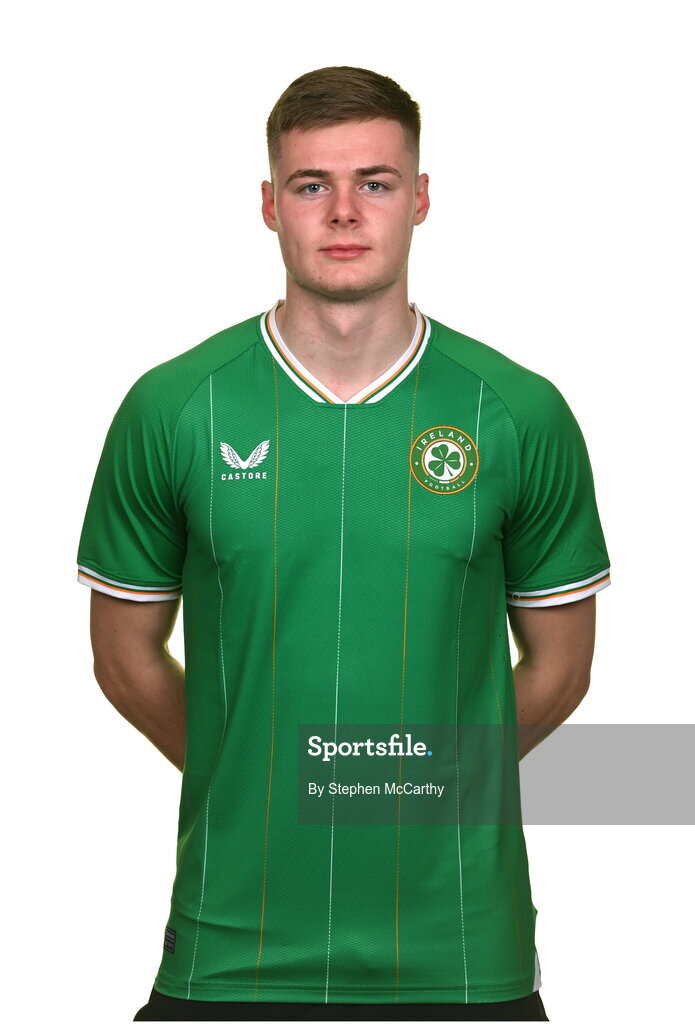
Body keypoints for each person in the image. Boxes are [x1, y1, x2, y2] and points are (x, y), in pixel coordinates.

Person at [76, 66, 610, 1022]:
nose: (344, 213)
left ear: (421, 199)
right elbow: (123, 658)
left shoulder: (518, 413)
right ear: (270, 206)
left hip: (461, 952)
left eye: (376, 182)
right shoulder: (174, 407)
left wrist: (400, 781)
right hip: (228, 954)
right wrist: (257, 769)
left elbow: (561, 672)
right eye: (312, 185)